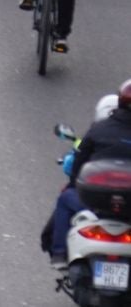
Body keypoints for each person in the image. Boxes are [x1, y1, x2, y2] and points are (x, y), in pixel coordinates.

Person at [48, 81, 131, 266]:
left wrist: (72, 185)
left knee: (65, 198)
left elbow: (79, 163)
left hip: (95, 203)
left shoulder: (99, 129)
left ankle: (59, 254)